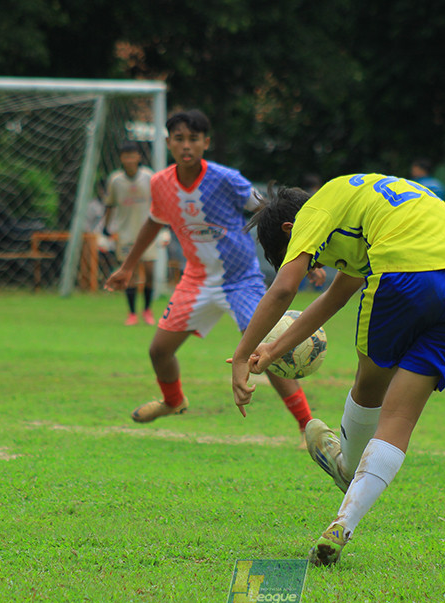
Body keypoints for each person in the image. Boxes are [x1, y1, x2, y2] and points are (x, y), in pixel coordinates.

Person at [232, 174, 445, 566]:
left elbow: (283, 289)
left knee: (369, 389)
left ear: (290, 228)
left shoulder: (314, 211)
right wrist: (272, 349)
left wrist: (241, 355)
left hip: (404, 276)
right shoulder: (356, 207)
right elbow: (337, 294)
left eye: (300, 255)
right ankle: (343, 523)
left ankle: (346, 468)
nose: (313, 264)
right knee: (400, 418)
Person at [105, 110, 314, 436]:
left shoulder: (227, 179)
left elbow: (271, 212)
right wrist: (128, 266)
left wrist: (306, 257)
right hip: (197, 279)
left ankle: (306, 426)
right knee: (158, 350)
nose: (186, 145)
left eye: (193, 139)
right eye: (179, 139)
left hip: (241, 280)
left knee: (264, 351)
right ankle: (173, 401)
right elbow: (154, 221)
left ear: (206, 142)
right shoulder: (160, 183)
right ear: (168, 143)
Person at [105, 141, 156, 325]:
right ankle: (132, 313)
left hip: (148, 233)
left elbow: (159, 203)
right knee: (129, 274)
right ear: (121, 158)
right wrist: (106, 227)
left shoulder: (149, 176)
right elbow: (110, 205)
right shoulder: (115, 180)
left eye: (132, 156)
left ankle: (147, 309)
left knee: (150, 272)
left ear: (138, 157)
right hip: (126, 234)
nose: (129, 160)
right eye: (125, 156)